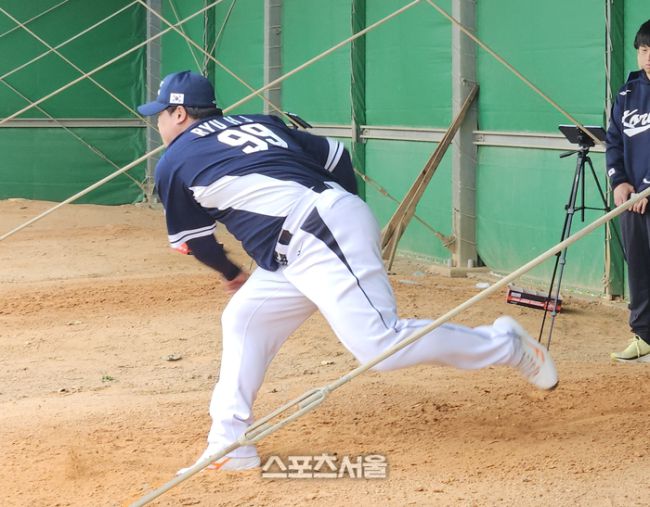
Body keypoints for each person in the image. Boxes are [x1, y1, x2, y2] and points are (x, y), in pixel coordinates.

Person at [137, 70, 558, 473]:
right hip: (304, 241)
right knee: (245, 318)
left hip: (317, 232)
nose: (158, 123)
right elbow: (336, 154)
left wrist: (231, 273)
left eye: (161, 114)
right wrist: (344, 205)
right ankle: (228, 445)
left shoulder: (175, 160)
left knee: (380, 346)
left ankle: (505, 345)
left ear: (180, 113)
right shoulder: (257, 122)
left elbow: (198, 242)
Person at [606, 20, 650, 364]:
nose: (648, 57)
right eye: (644, 50)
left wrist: (647, 187)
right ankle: (644, 335)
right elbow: (614, 141)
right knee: (638, 268)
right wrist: (619, 182)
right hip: (632, 202)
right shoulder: (626, 93)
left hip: (645, 195)